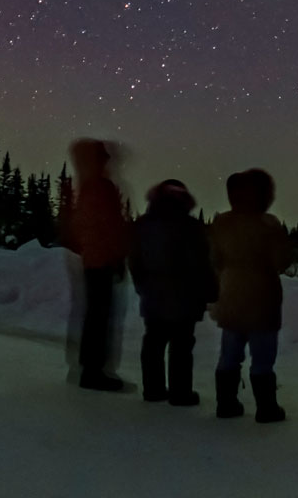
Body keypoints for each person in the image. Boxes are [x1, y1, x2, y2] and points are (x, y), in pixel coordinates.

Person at [206, 168, 292, 423]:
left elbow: (214, 259)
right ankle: (266, 408)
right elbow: (281, 261)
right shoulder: (268, 224)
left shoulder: (222, 222)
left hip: (231, 293)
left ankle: (226, 403)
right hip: (262, 297)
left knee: (229, 353)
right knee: (263, 358)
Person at [130, 178, 217, 407]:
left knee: (154, 342)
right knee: (181, 344)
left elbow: (135, 261)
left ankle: (153, 389)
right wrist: (210, 291)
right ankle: (180, 393)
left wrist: (142, 287)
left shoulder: (143, 225)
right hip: (185, 296)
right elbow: (201, 263)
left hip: (153, 294)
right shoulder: (190, 227)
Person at [63, 138, 132, 391]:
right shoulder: (100, 188)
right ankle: (93, 372)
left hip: (93, 257)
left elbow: (82, 227)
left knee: (95, 315)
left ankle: (91, 369)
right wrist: (117, 256)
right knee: (99, 316)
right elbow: (110, 226)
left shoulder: (87, 187)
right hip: (102, 259)